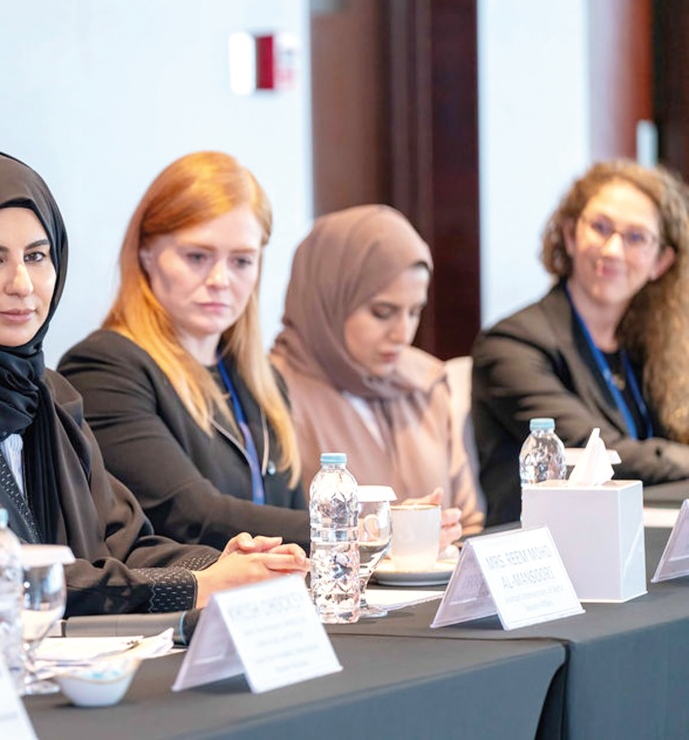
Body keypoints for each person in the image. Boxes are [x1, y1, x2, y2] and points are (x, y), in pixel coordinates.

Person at [0, 150, 308, 616]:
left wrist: (220, 563)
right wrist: (198, 585)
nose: (22, 284)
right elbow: (3, 579)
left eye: (36, 256)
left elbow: (125, 545)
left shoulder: (48, 397)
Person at [58, 151, 309, 551]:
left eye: (242, 260)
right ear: (146, 253)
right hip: (180, 608)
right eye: (197, 256)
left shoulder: (263, 381)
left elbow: (290, 516)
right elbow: (191, 515)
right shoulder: (104, 369)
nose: (220, 279)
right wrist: (356, 528)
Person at [473, 160, 689, 526]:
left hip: (639, 542)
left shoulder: (655, 346)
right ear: (571, 235)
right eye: (600, 228)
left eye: (636, 237)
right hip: (547, 553)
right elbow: (591, 454)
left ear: (660, 262)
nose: (613, 250)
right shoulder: (512, 345)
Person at [270, 205, 481, 538]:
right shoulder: (271, 390)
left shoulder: (425, 382)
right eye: (383, 312)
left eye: (414, 312)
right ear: (329, 298)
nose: (402, 333)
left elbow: (467, 523)